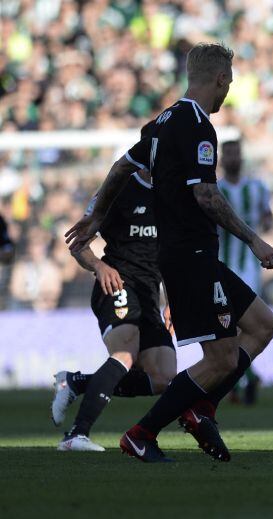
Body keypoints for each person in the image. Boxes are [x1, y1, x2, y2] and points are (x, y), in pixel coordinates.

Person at [65, 42, 273, 463]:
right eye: (229, 82)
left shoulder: (162, 121)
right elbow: (206, 195)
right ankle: (142, 433)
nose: (228, 91)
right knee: (219, 358)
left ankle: (203, 407)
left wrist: (96, 214)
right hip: (189, 255)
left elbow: (122, 166)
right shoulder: (198, 125)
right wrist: (253, 239)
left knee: (261, 325)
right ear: (220, 79)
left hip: (189, 255)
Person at [51, 168, 177, 452]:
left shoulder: (173, 193)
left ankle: (76, 382)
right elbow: (78, 243)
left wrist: (172, 301)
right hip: (116, 284)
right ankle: (75, 435)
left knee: (163, 376)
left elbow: (169, 255)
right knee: (125, 352)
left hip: (148, 295)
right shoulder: (117, 190)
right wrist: (99, 266)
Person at [218, 139, 273, 404]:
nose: (233, 158)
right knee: (230, 327)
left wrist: (268, 220)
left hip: (250, 267)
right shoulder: (215, 189)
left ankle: (239, 380)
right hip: (222, 264)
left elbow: (268, 217)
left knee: (241, 325)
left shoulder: (258, 187)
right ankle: (248, 377)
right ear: (221, 157)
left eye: (236, 153)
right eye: (228, 153)